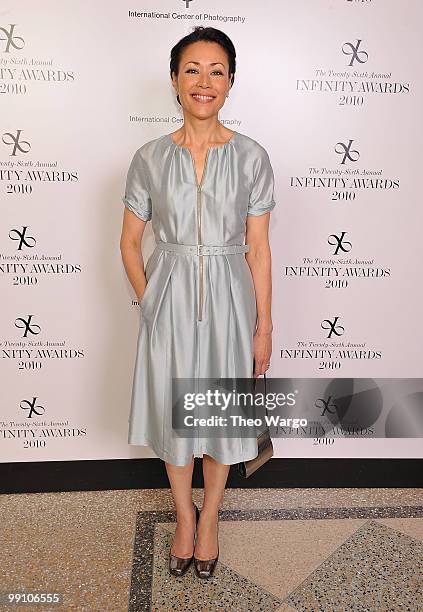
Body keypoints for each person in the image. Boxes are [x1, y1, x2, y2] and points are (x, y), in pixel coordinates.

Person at [120, 26, 276, 579]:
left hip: (231, 303)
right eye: (192, 70)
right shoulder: (149, 157)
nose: (203, 82)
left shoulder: (252, 157)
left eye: (216, 71)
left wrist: (264, 328)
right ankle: (184, 517)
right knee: (176, 420)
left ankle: (210, 519)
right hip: (170, 301)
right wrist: (151, 303)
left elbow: (257, 249)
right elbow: (130, 242)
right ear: (174, 80)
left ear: (230, 82)